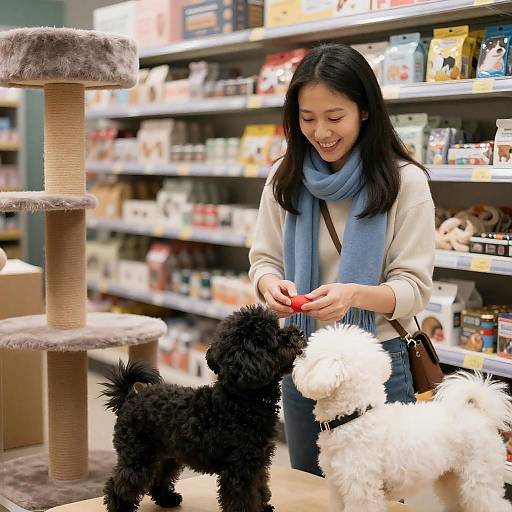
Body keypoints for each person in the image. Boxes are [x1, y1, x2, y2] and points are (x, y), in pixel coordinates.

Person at [248, 43, 435, 476]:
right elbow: (263, 260)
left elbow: (413, 288)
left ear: (365, 110)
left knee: (380, 494)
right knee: (308, 486)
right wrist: (268, 285)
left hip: (379, 363)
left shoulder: (405, 183)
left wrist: (354, 296)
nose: (321, 132)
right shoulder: (285, 177)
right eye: (307, 119)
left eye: (335, 118)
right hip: (304, 359)